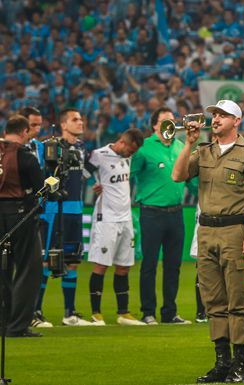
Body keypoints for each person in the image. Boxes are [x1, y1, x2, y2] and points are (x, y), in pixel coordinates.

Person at [173, 99, 244, 384]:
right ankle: (221, 362)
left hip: (235, 231)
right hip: (206, 231)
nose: (215, 119)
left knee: (238, 300)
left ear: (236, 121)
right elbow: (178, 175)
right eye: (214, 114)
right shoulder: (203, 150)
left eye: (223, 115)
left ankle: (238, 364)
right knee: (213, 301)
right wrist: (188, 143)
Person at [130, 107, 193, 325]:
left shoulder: (181, 148)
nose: (170, 125)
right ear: (155, 125)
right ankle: (147, 312)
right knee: (149, 264)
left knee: (173, 265)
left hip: (176, 213)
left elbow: (192, 182)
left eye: (173, 121)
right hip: (151, 213)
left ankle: (169, 312)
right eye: (165, 121)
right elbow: (127, 174)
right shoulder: (143, 148)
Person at [35, 108, 92, 327]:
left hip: (76, 210)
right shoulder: (51, 147)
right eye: (75, 119)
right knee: (47, 261)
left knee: (73, 261)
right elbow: (44, 177)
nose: (81, 122)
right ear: (64, 125)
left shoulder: (81, 147)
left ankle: (70, 314)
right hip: (54, 210)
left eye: (81, 119)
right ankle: (35, 312)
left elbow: (83, 173)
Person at [85, 129, 145, 326]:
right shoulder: (99, 155)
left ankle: (123, 313)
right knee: (102, 265)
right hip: (106, 218)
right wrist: (94, 184)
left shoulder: (127, 158)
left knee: (124, 266)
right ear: (122, 142)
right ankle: (96, 313)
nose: (131, 154)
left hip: (125, 218)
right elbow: (82, 173)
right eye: (131, 150)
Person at [2, 115, 45, 337]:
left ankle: (2, 322)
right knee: (29, 269)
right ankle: (17, 325)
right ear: (24, 132)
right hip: (19, 214)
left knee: (3, 269)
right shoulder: (25, 155)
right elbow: (41, 188)